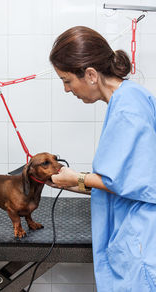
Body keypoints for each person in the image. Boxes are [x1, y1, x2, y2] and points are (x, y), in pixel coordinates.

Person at [49, 26, 156, 292]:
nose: (66, 89)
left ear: (91, 74)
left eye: (66, 80)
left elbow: (140, 182)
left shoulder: (129, 109)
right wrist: (69, 182)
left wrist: (78, 177)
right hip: (132, 236)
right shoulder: (125, 99)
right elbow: (119, 180)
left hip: (141, 240)